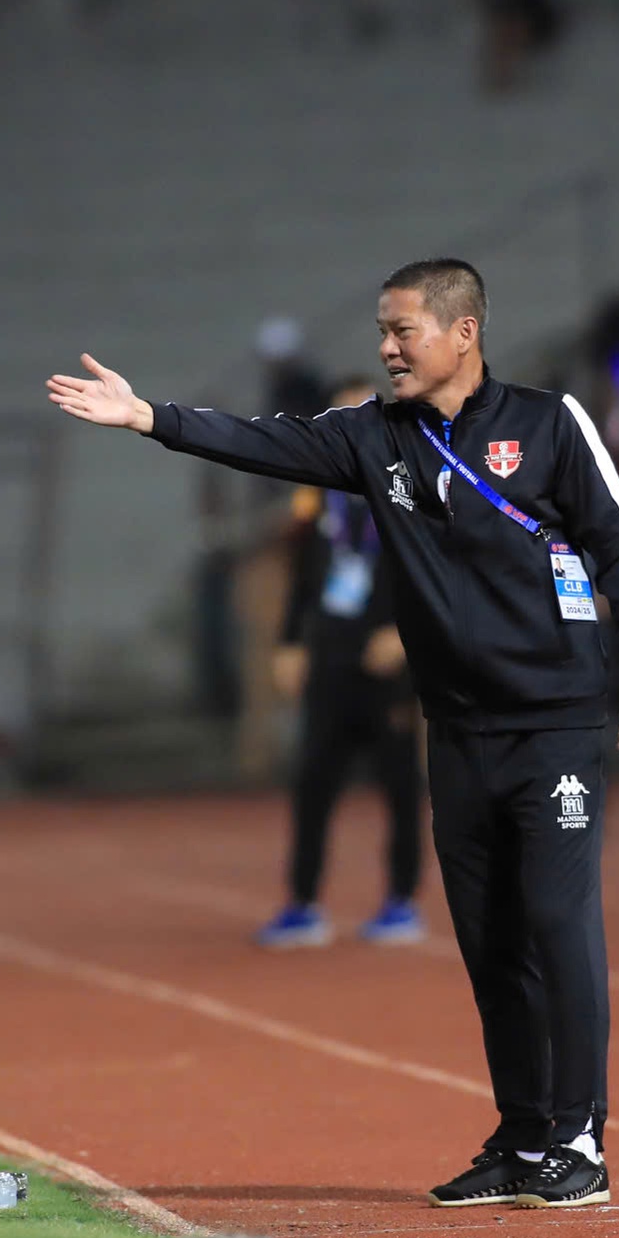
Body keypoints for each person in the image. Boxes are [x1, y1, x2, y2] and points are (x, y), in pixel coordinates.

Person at [49, 258, 619, 1210]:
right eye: (382, 332)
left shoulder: (551, 424)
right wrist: (151, 419)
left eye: (403, 331)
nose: (385, 348)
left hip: (555, 724)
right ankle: (522, 1134)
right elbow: (263, 442)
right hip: (457, 733)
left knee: (557, 921)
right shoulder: (371, 438)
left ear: (463, 333)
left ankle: (580, 1139)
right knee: (490, 942)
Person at [259, 377, 426, 950]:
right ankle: (302, 904)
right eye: (340, 414)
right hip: (329, 656)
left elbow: (438, 574)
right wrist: (288, 642)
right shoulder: (314, 495)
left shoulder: (411, 488)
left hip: (388, 662)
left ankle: (401, 902)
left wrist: (408, 634)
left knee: (402, 785)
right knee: (312, 784)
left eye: (362, 412)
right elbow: (302, 576)